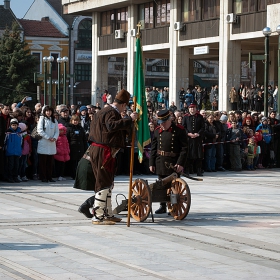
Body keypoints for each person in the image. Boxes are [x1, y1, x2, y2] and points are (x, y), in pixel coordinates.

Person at [77, 89, 138, 224]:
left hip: (103, 149)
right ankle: (98, 215)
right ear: (123, 104)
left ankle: (108, 213)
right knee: (103, 182)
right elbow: (111, 126)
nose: (125, 109)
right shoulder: (111, 112)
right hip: (103, 150)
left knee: (108, 183)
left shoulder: (104, 111)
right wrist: (129, 119)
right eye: (126, 106)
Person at [149, 110, 188, 214]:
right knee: (161, 184)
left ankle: (173, 206)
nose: (162, 125)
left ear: (169, 120)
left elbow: (184, 148)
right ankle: (162, 206)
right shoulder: (157, 131)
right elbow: (153, 149)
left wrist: (180, 163)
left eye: (164, 122)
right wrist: (151, 163)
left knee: (174, 186)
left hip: (174, 161)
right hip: (161, 161)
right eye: (160, 123)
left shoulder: (179, 130)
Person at [37, 105, 59, 183]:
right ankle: (43, 177)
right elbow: (40, 130)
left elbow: (57, 131)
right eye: (47, 111)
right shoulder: (42, 119)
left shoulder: (54, 120)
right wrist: (48, 137)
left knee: (50, 161)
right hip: (44, 142)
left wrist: (54, 138)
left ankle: (49, 176)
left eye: (49, 111)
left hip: (52, 143)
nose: (48, 112)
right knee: (43, 161)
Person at [182, 102, 205, 176]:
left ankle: (199, 170)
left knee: (199, 155)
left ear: (196, 108)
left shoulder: (200, 117)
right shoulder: (185, 117)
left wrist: (198, 134)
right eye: (191, 108)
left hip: (197, 139)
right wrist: (188, 134)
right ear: (189, 109)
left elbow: (203, 127)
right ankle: (187, 170)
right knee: (188, 155)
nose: (192, 109)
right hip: (189, 139)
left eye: (193, 108)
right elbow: (183, 127)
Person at [67, 114, 88, 179]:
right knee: (73, 162)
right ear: (71, 121)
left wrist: (85, 148)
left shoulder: (81, 128)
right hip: (72, 147)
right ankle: (73, 175)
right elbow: (67, 139)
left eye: (76, 120)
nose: (75, 122)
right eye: (74, 120)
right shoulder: (69, 129)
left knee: (80, 162)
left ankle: (80, 174)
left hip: (80, 147)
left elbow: (84, 139)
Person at [4, 118, 22, 183]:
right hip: (10, 151)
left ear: (17, 125)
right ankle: (10, 177)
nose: (14, 126)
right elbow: (5, 141)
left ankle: (15, 176)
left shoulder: (19, 133)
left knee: (16, 165)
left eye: (15, 125)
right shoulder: (8, 133)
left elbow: (21, 142)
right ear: (10, 125)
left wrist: (20, 151)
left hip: (17, 152)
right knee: (10, 165)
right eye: (13, 125)